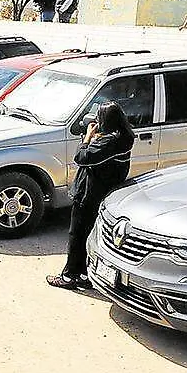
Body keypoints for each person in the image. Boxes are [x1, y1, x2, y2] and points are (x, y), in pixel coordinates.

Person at [47, 102, 134, 289]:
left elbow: (82, 157)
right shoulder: (125, 137)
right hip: (104, 193)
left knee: (77, 235)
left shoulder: (109, 142)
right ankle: (85, 274)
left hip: (89, 194)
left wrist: (87, 138)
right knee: (89, 235)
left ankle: (69, 276)